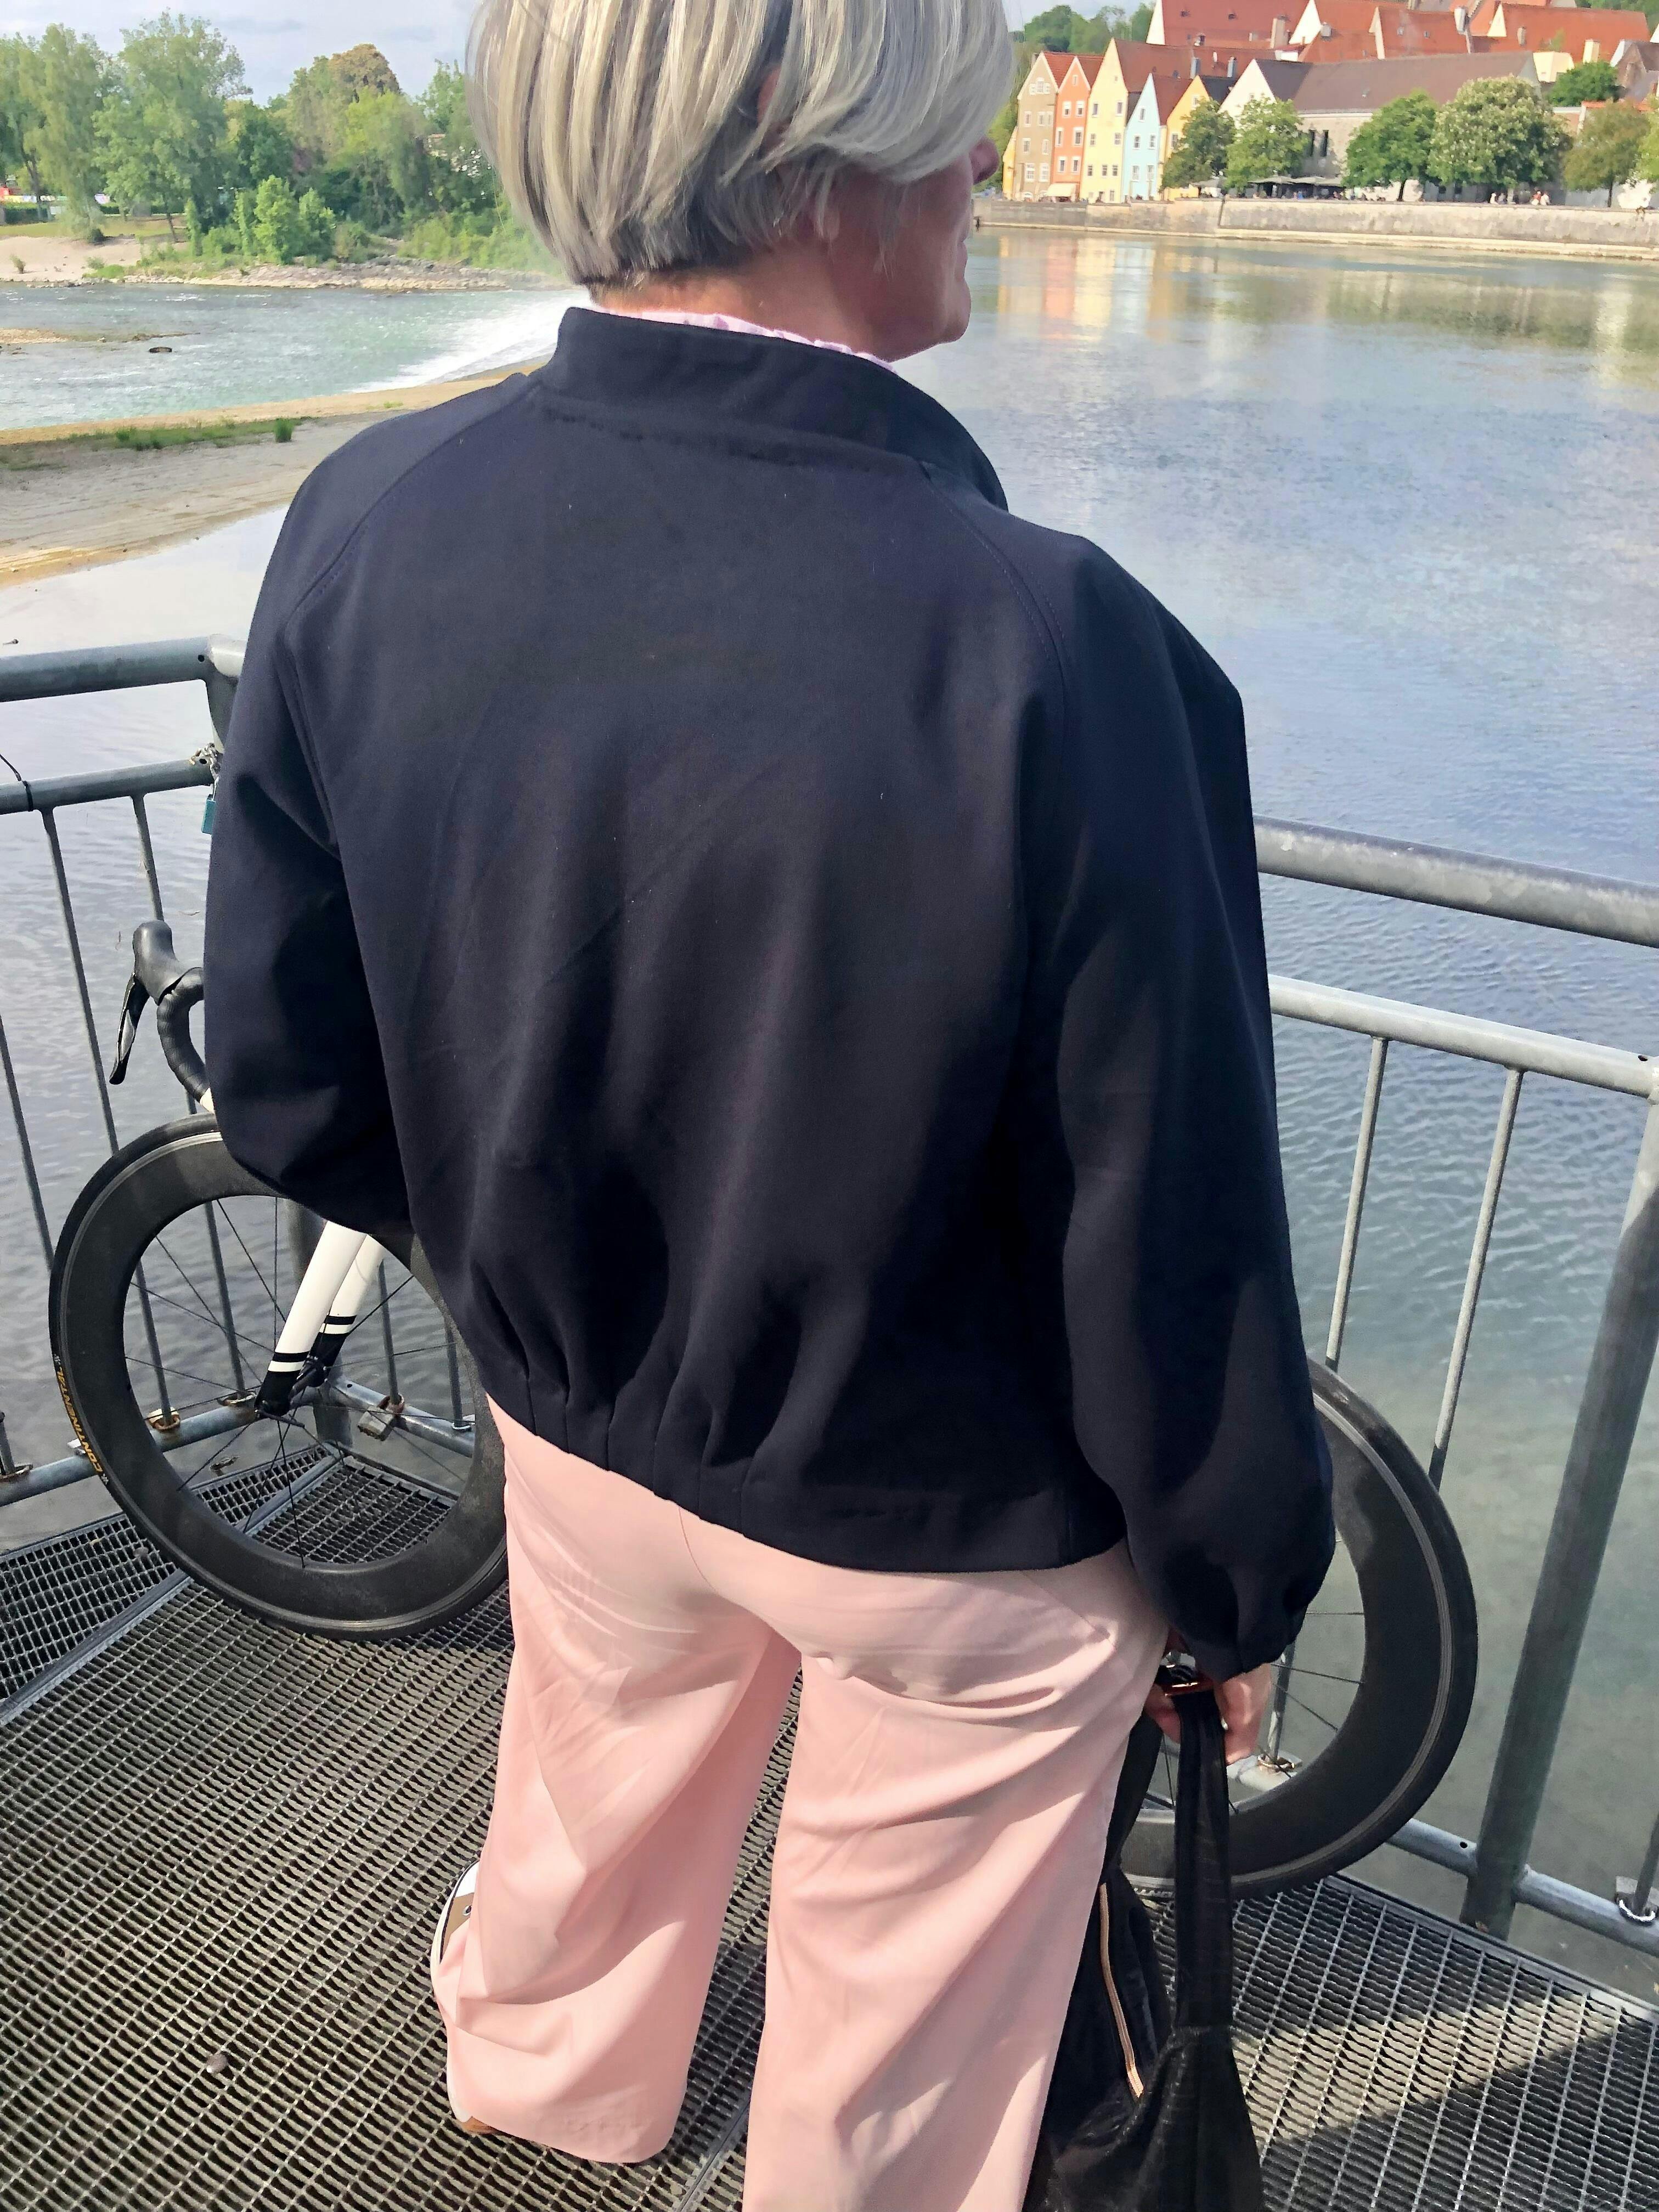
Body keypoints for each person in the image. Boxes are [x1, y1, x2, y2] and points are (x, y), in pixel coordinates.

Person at [202, 0, 1334, 2203]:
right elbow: (1169, 1226)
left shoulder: (368, 517)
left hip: (579, 1418)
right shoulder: (1058, 646)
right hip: (949, 1524)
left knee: (591, 1790)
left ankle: (549, 2078)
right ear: (825, 164)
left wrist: (524, 1282)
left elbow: (292, 1075)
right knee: (906, 2016)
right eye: (960, 132)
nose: (986, 172)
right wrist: (1231, 1586)